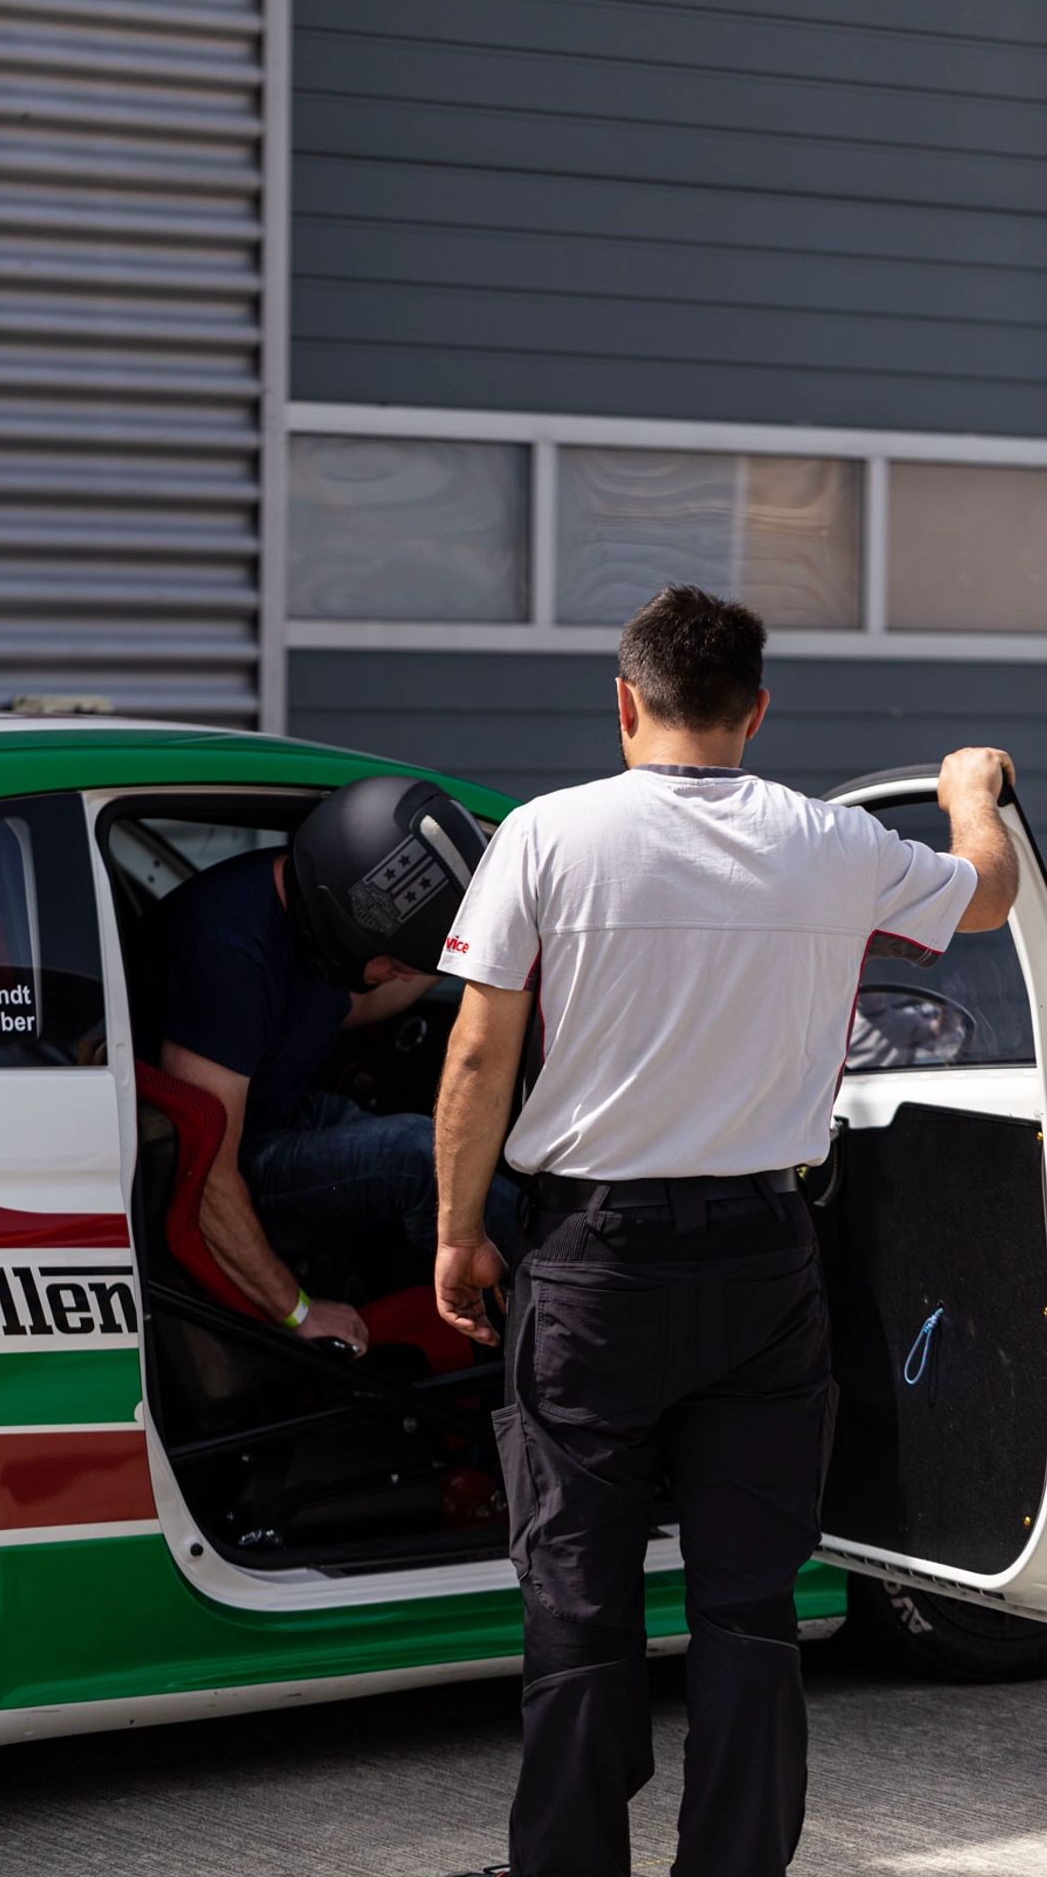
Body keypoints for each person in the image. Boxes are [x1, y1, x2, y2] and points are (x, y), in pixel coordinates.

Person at [431, 584, 1018, 1877]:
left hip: (592, 1269)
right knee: (749, 1610)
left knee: (577, 1597)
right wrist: (972, 787)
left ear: (626, 702)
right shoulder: (828, 844)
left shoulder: (543, 836)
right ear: (757, 711)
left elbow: (479, 1055)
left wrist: (458, 1232)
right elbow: (983, 897)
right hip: (763, 1265)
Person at [160, 773, 522, 1355]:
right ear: (350, 928)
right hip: (233, 1171)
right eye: (394, 962)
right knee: (415, 1159)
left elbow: (352, 1005)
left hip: (281, 1113)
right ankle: (572, 1310)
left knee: (432, 1135)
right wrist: (297, 1310)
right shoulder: (225, 957)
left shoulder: (308, 931)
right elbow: (201, 1178)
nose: (403, 976)